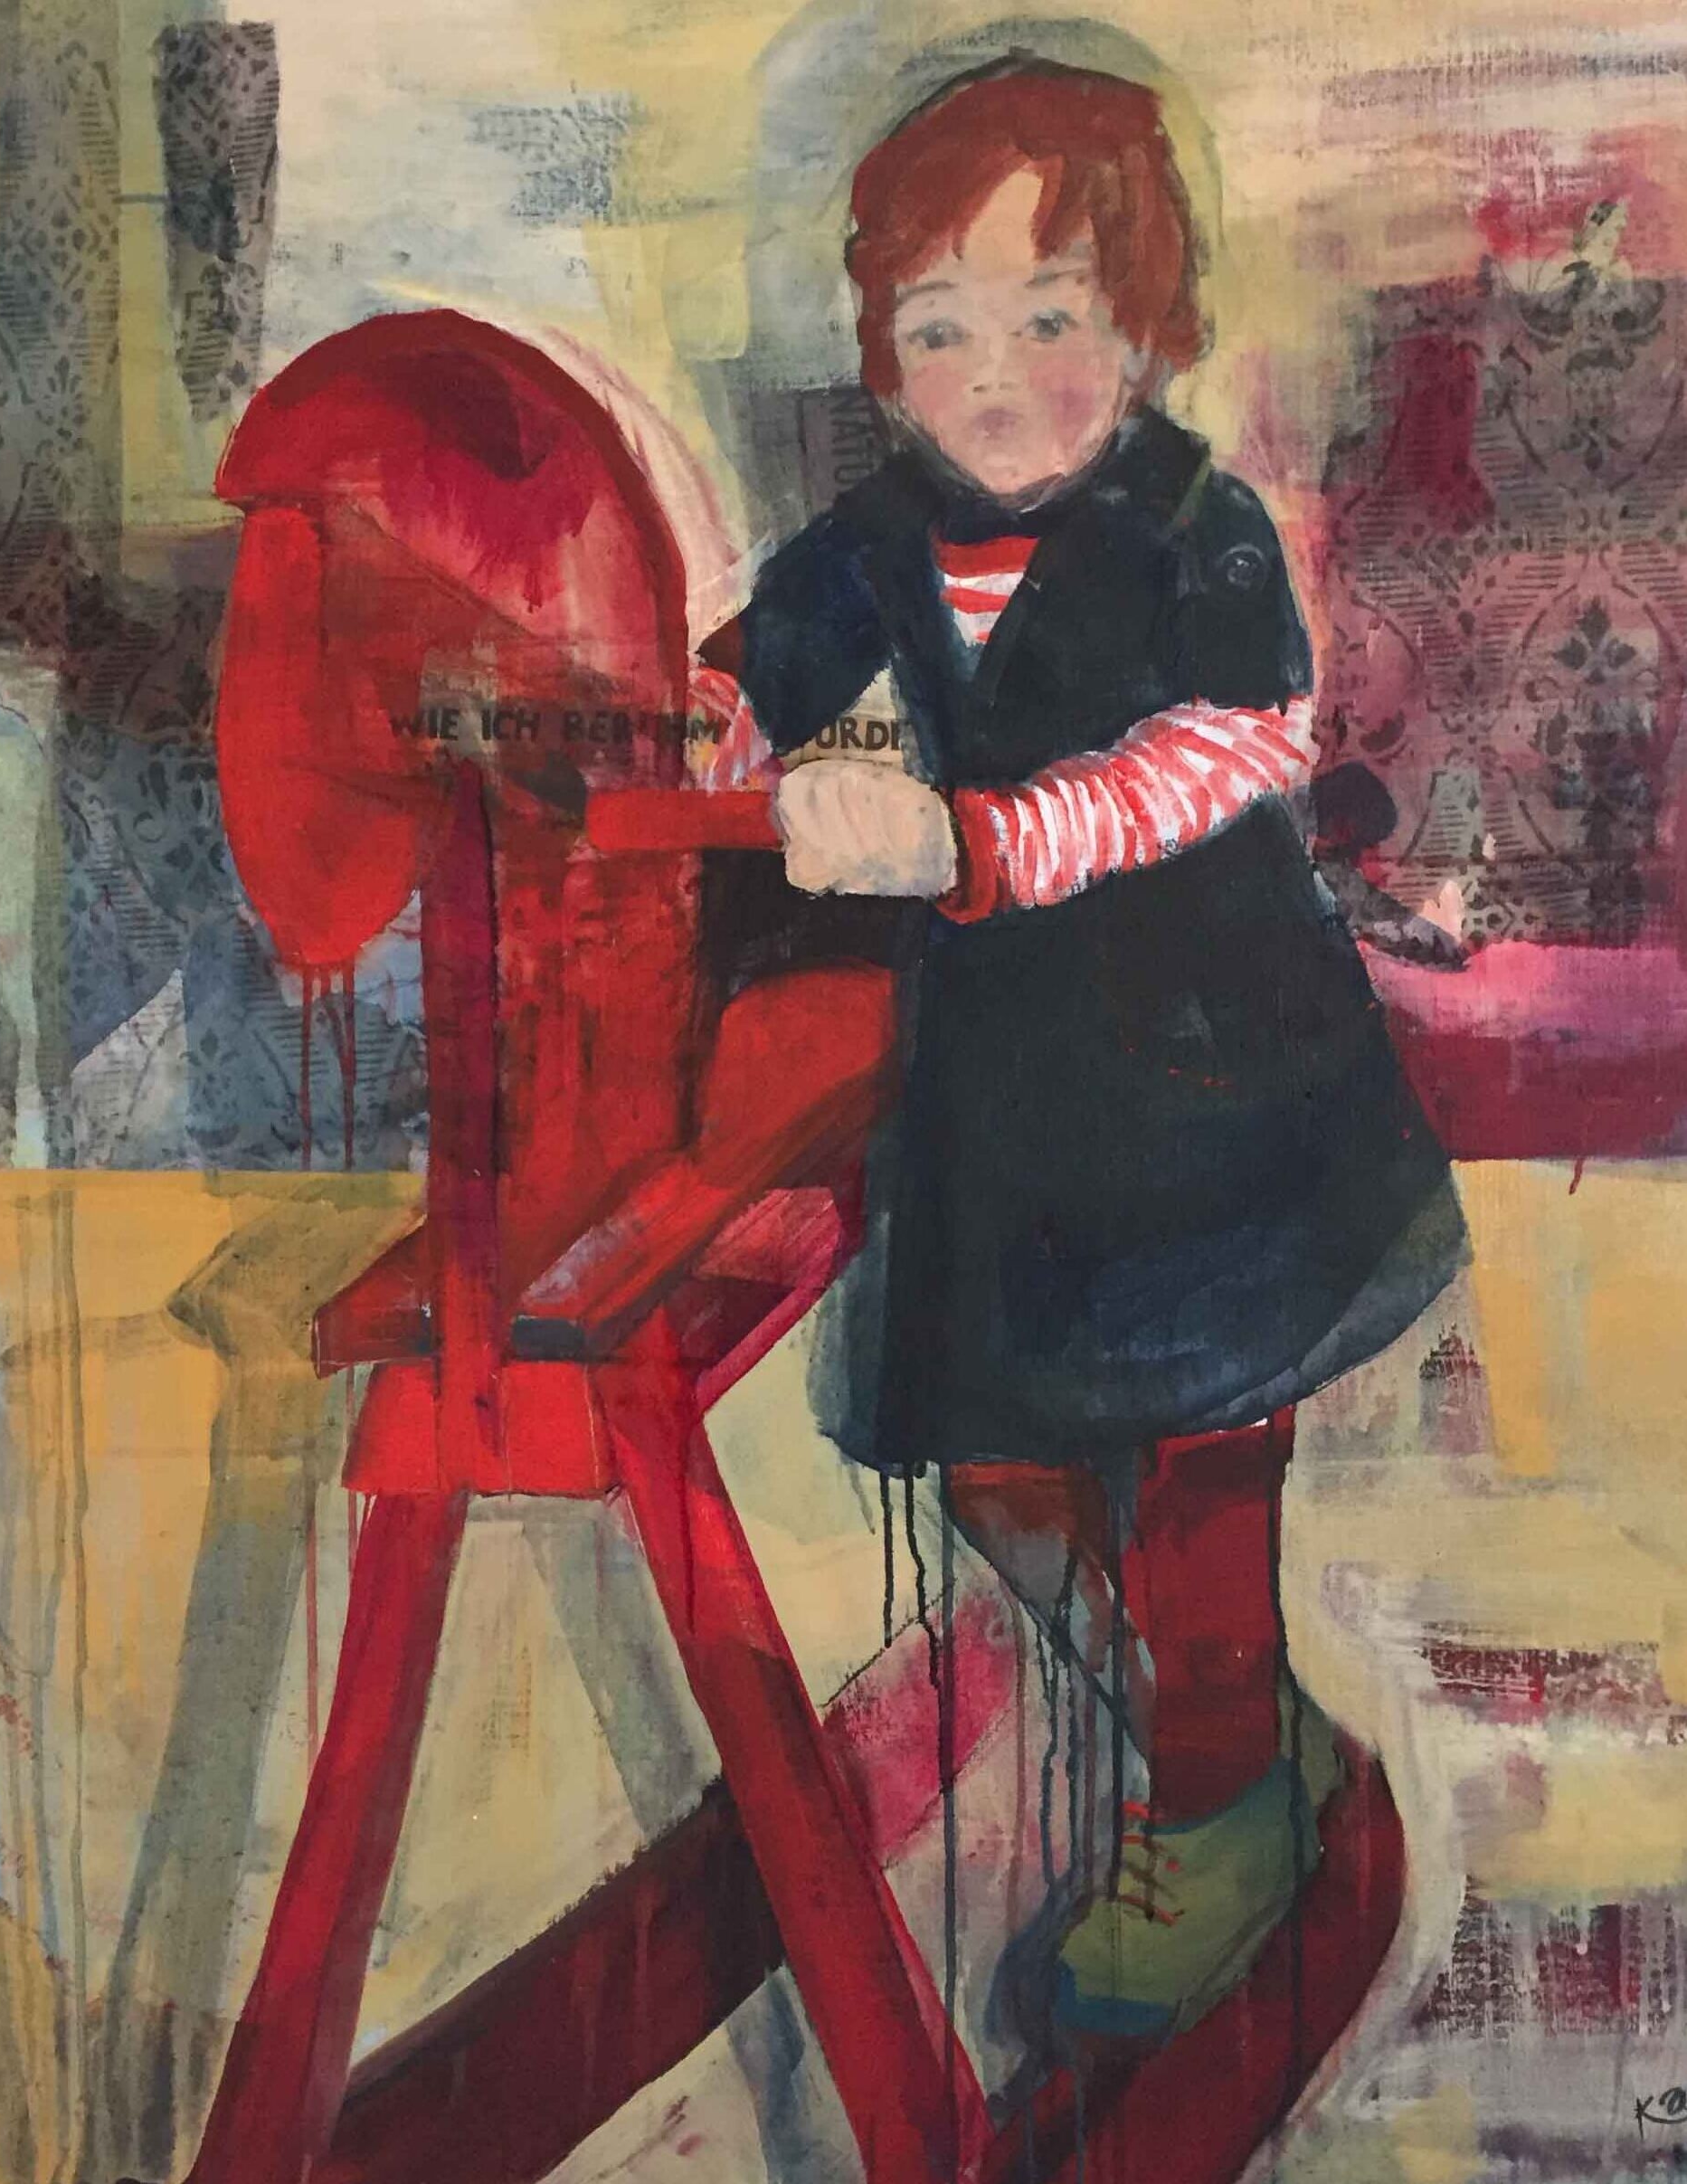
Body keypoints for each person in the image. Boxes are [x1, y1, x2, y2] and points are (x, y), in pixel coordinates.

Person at [688, 55, 1470, 2052]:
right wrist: (784, 766)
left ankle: (1210, 1807)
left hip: (1215, 1102)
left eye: (1049, 319)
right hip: (1007, 1122)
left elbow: (1227, 751)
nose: (995, 377)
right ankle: (1224, 1743)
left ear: (1146, 324)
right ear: (883, 350)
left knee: (1196, 1470)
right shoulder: (853, 557)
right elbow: (789, 709)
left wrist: (983, 839)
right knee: (1003, 1461)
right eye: (940, 328)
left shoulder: (1192, 531)